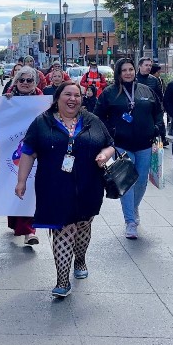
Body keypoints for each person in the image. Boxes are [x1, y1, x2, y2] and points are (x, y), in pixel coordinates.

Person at [15, 82, 115, 298]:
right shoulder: (42, 122)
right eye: (67, 94)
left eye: (77, 95)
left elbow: (109, 144)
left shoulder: (92, 120)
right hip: (54, 187)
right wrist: (21, 181)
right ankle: (62, 281)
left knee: (83, 227)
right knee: (63, 228)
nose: (73, 99)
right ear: (57, 98)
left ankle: (80, 259)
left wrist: (105, 155)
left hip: (89, 185)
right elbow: (28, 152)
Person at [94, 57, 162, 240]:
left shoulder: (146, 90)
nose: (128, 73)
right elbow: (98, 116)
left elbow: (158, 112)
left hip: (145, 144)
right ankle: (130, 222)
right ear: (118, 73)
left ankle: (133, 207)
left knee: (141, 182)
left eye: (130, 69)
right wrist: (110, 134)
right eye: (124, 70)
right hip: (121, 145)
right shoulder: (109, 93)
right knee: (127, 182)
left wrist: (156, 128)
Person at [4, 65, 42, 245]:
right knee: (13, 186)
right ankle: (16, 224)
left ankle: (29, 231)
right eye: (22, 80)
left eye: (29, 80)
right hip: (12, 151)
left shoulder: (42, 99)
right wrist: (6, 103)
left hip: (35, 150)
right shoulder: (8, 98)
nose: (25, 83)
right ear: (16, 81)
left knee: (31, 188)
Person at [137, 57, 168, 146]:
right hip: (137, 113)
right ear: (140, 66)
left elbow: (159, 97)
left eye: (150, 65)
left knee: (156, 145)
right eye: (146, 65)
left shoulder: (154, 80)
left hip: (152, 114)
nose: (148, 67)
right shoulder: (134, 78)